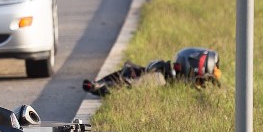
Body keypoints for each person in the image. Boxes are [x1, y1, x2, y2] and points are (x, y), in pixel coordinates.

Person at [83, 47, 221, 97]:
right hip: (130, 82)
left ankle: (99, 85)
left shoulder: (166, 76)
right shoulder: (159, 77)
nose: (216, 73)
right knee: (134, 80)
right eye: (215, 69)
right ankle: (100, 85)